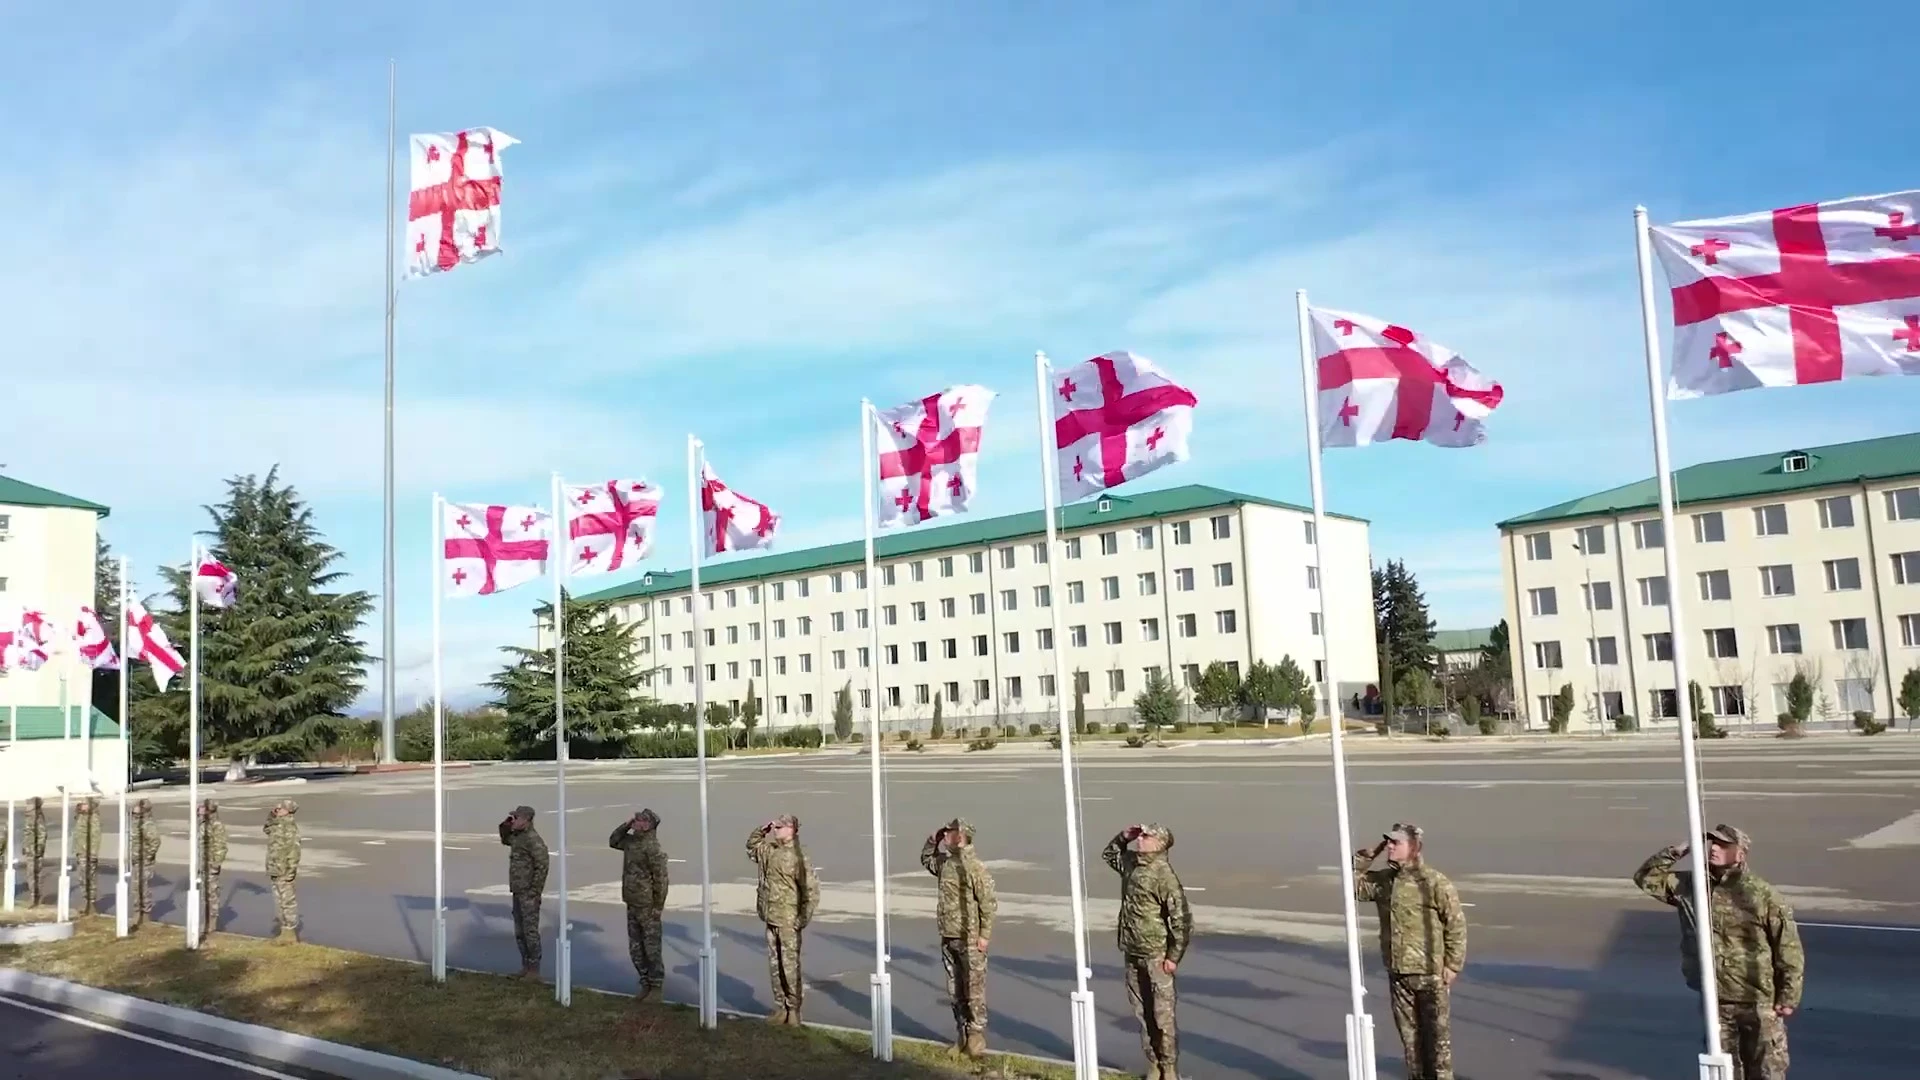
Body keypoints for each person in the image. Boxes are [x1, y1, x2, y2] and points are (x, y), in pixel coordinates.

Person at [1634, 824, 1803, 1079]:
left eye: (1723, 845)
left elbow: (1787, 947)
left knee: (1767, 1069)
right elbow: (1646, 878)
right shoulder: (1691, 886)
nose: (1713, 848)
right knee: (1725, 1070)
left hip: (1757, 999)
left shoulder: (1761, 894)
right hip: (1716, 998)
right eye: (1711, 843)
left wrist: (1788, 996)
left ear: (1740, 853)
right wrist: (1680, 850)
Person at [1355, 823, 1467, 1080]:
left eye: (1396, 843)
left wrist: (1453, 965)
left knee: (1438, 1046)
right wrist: (1364, 857)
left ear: (1414, 848)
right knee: (1411, 1044)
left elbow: (1455, 923)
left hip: (1430, 974)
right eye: (1389, 842)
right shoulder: (1385, 881)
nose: (1390, 847)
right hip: (1398, 973)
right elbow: (1352, 887)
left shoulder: (1433, 881)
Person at [1102, 823, 1192, 1080]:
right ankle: (1153, 1064)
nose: (1140, 840)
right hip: (1133, 951)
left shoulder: (1163, 875)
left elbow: (1181, 920)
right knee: (1142, 1013)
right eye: (1140, 836)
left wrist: (1173, 957)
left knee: (1162, 1017)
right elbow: (1109, 855)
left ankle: (1169, 1067)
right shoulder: (1131, 863)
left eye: (1146, 836)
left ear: (1160, 843)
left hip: (1156, 955)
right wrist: (1123, 837)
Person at [921, 818, 998, 1058]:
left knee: (973, 989)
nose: (946, 836)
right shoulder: (946, 864)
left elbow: (988, 904)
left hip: (970, 938)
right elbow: (927, 860)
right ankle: (962, 1036)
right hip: (949, 935)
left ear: (961, 836)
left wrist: (984, 936)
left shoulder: (975, 867)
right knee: (955, 990)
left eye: (950, 833)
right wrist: (931, 841)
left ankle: (976, 1040)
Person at [747, 814, 818, 1024]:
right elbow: (752, 846)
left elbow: (811, 892)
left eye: (781, 826)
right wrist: (762, 829)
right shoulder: (770, 852)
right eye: (776, 826)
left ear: (792, 830)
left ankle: (794, 1010)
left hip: (788, 919)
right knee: (775, 966)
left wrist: (801, 919)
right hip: (771, 917)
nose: (777, 829)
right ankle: (780, 1008)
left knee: (790, 967)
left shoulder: (798, 857)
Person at [609, 808, 669, 1001]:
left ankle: (656, 987)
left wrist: (658, 906)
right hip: (632, 901)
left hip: (647, 905)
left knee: (651, 949)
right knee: (636, 948)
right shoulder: (632, 842)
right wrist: (626, 824)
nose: (636, 822)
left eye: (640, 820)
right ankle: (644, 983)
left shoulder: (652, 848)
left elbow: (661, 880)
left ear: (649, 825)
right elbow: (614, 841)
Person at [500, 804, 549, 979]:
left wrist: (534, 891)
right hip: (518, 891)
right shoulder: (518, 837)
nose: (515, 820)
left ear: (527, 821)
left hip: (528, 893)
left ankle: (534, 970)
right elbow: (505, 839)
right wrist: (505, 825)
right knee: (520, 932)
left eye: (517, 818)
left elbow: (542, 865)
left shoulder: (533, 840)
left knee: (530, 932)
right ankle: (525, 966)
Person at [265, 800, 302, 942]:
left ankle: (290, 932)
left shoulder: (290, 828)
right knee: (278, 901)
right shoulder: (277, 825)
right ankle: (283, 930)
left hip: (284, 871)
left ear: (288, 811)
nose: (278, 809)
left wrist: (290, 872)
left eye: (281, 808)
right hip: (275, 869)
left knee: (287, 901)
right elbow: (267, 828)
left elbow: (294, 852)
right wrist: (271, 814)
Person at [131, 799, 161, 929]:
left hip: (144, 862)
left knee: (143, 887)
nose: (134, 809)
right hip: (137, 860)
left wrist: (147, 857)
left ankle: (145, 913)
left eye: (137, 808)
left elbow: (155, 842)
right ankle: (138, 911)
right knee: (136, 887)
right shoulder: (137, 823)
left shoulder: (147, 824)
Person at [76, 797, 101, 916]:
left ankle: (91, 903)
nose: (82, 805)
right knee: (82, 877)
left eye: (84, 804)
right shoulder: (82, 816)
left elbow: (95, 836)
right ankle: (85, 901)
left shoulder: (93, 818)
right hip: (81, 851)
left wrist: (93, 853)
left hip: (88, 853)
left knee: (89, 878)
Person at [26, 795, 46, 907]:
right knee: (30, 875)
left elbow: (42, 835)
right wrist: (25, 846)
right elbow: (27, 833)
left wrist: (38, 850)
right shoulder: (29, 818)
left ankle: (36, 898)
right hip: (30, 851)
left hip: (35, 852)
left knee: (35, 874)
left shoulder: (38, 818)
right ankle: (33, 896)